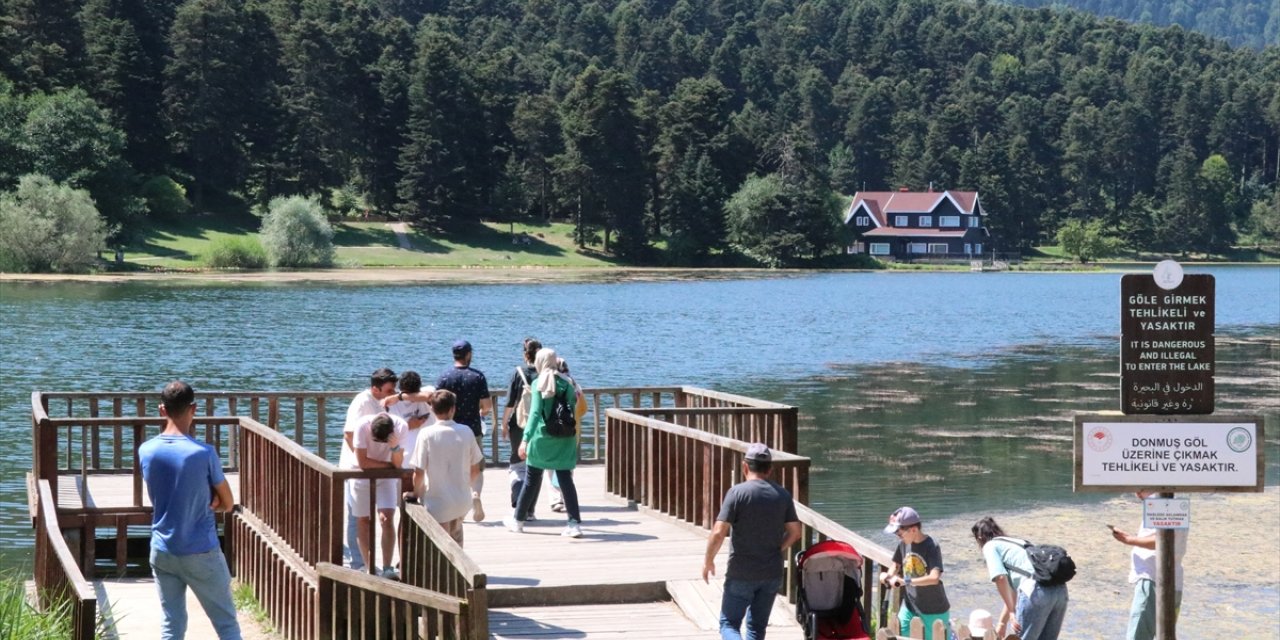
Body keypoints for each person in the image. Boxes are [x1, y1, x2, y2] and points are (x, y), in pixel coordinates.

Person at [139, 381, 242, 640]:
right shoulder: (204, 453)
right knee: (226, 623)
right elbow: (228, 503)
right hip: (201, 551)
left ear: (162, 410)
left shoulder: (146, 451)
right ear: (193, 408)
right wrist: (215, 499)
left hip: (162, 549)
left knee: (172, 624)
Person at [701, 443, 802, 640]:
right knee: (756, 628)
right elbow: (795, 532)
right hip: (771, 572)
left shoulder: (737, 493)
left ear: (745, 467)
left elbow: (718, 531)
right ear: (769, 469)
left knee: (729, 624)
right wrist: (778, 548)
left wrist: (708, 561)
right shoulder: (782, 495)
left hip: (741, 571)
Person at [503, 347, 584, 538]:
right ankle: (574, 524)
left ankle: (518, 520)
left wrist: (525, 440)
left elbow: (534, 415)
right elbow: (573, 409)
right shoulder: (568, 383)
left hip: (541, 439)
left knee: (531, 479)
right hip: (565, 438)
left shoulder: (538, 383)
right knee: (566, 481)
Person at [971, 516, 1068, 640]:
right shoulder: (1019, 543)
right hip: (1060, 591)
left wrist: (1012, 612)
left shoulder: (990, 546)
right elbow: (1014, 593)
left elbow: (1000, 578)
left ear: (979, 537)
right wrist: (1002, 622)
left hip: (1036, 592)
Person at [408, 390, 484, 545]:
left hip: (437, 503)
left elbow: (419, 472)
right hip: (462, 500)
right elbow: (476, 469)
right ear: (452, 409)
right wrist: (464, 485)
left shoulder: (426, 434)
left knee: (441, 549)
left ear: (432, 409)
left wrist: (415, 493)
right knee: (456, 545)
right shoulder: (466, 431)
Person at [1111, 490, 1189, 640]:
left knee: (1138, 636)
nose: (1136, 492)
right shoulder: (1173, 500)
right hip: (1173, 581)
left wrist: (1128, 539)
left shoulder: (1160, 501)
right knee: (1165, 635)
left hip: (1153, 580)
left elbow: (1161, 539)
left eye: (1138, 487)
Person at [340, 368, 398, 570]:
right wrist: (363, 459)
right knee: (357, 517)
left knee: (382, 516)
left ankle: (382, 565)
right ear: (375, 388)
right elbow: (349, 434)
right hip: (356, 468)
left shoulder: (387, 403)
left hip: (379, 468)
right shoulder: (362, 402)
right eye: (390, 390)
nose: (394, 393)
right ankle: (359, 564)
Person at [436, 340, 492, 522]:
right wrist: (480, 413)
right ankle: (475, 494)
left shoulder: (445, 377)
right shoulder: (478, 377)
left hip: (448, 430)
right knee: (476, 467)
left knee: (452, 468)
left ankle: (456, 506)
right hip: (473, 429)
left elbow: (436, 403)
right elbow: (486, 406)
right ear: (468, 354)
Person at [346, 412, 407, 578]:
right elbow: (363, 462)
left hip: (386, 478)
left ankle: (387, 568)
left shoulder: (401, 426)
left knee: (386, 518)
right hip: (360, 475)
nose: (380, 444)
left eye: (383, 441)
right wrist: (390, 465)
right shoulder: (361, 426)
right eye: (376, 440)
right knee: (363, 519)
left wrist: (394, 447)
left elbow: (399, 463)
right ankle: (369, 567)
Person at [880, 506, 951, 640]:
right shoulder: (903, 544)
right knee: (898, 633)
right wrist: (888, 576)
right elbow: (895, 565)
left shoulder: (931, 546)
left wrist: (905, 581)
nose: (898, 537)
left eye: (899, 534)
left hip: (933, 608)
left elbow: (934, 578)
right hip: (910, 605)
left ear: (913, 529)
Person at [500, 338, 540, 517]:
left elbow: (510, 403)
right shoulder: (545, 374)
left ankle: (518, 497)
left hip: (519, 423)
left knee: (517, 464)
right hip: (540, 425)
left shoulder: (518, 373)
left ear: (525, 354)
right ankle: (530, 510)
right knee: (536, 467)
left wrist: (503, 424)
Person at [547, 356, 588, 513]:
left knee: (550, 466)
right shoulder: (575, 385)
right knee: (567, 466)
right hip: (572, 431)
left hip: (552, 430)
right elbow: (583, 409)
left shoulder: (550, 384)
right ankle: (565, 496)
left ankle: (555, 499)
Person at [385, 371, 435, 492]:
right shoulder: (390, 404)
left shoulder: (425, 395)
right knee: (405, 495)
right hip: (404, 459)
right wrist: (408, 425)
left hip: (421, 458)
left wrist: (401, 396)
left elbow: (430, 395)